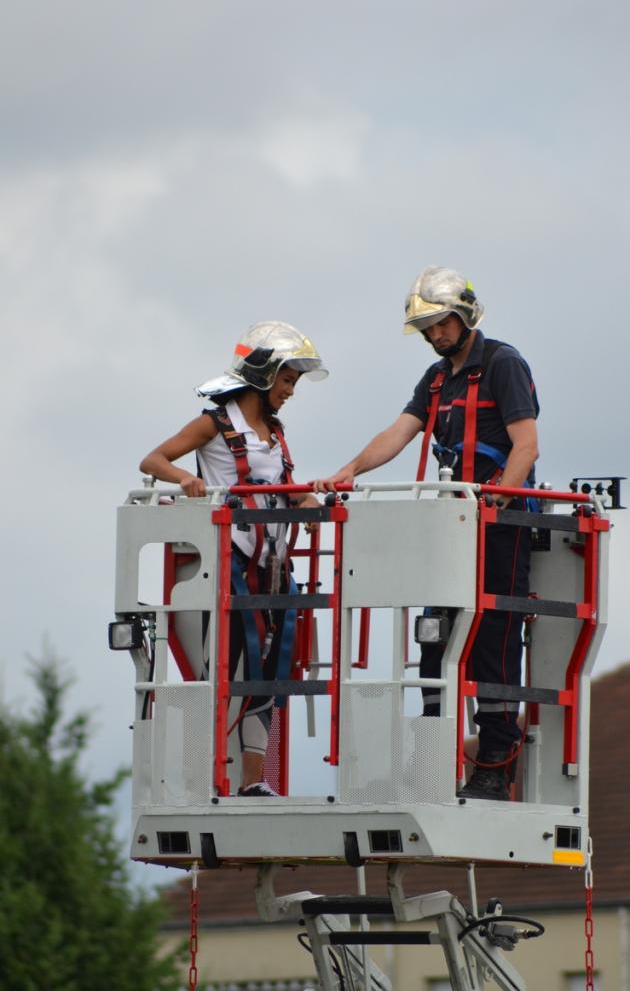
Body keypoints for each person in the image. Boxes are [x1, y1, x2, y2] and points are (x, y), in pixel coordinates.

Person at [315, 266, 539, 801]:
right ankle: (433, 758)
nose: (435, 336)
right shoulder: (438, 378)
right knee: (436, 641)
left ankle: (493, 765)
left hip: (498, 526)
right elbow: (400, 430)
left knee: (494, 643)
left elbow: (525, 446)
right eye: (427, 328)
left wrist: (500, 500)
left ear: (464, 316)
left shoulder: (503, 363)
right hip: (451, 526)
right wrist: (350, 470)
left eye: (441, 324)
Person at [140, 321, 327, 797]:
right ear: (264, 376)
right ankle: (209, 777)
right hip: (231, 569)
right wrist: (186, 480)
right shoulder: (216, 422)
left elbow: (283, 491)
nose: (290, 391)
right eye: (287, 380)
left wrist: (309, 506)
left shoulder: (276, 433)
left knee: (269, 673)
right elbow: (153, 460)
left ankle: (251, 783)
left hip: (272, 569)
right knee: (230, 668)